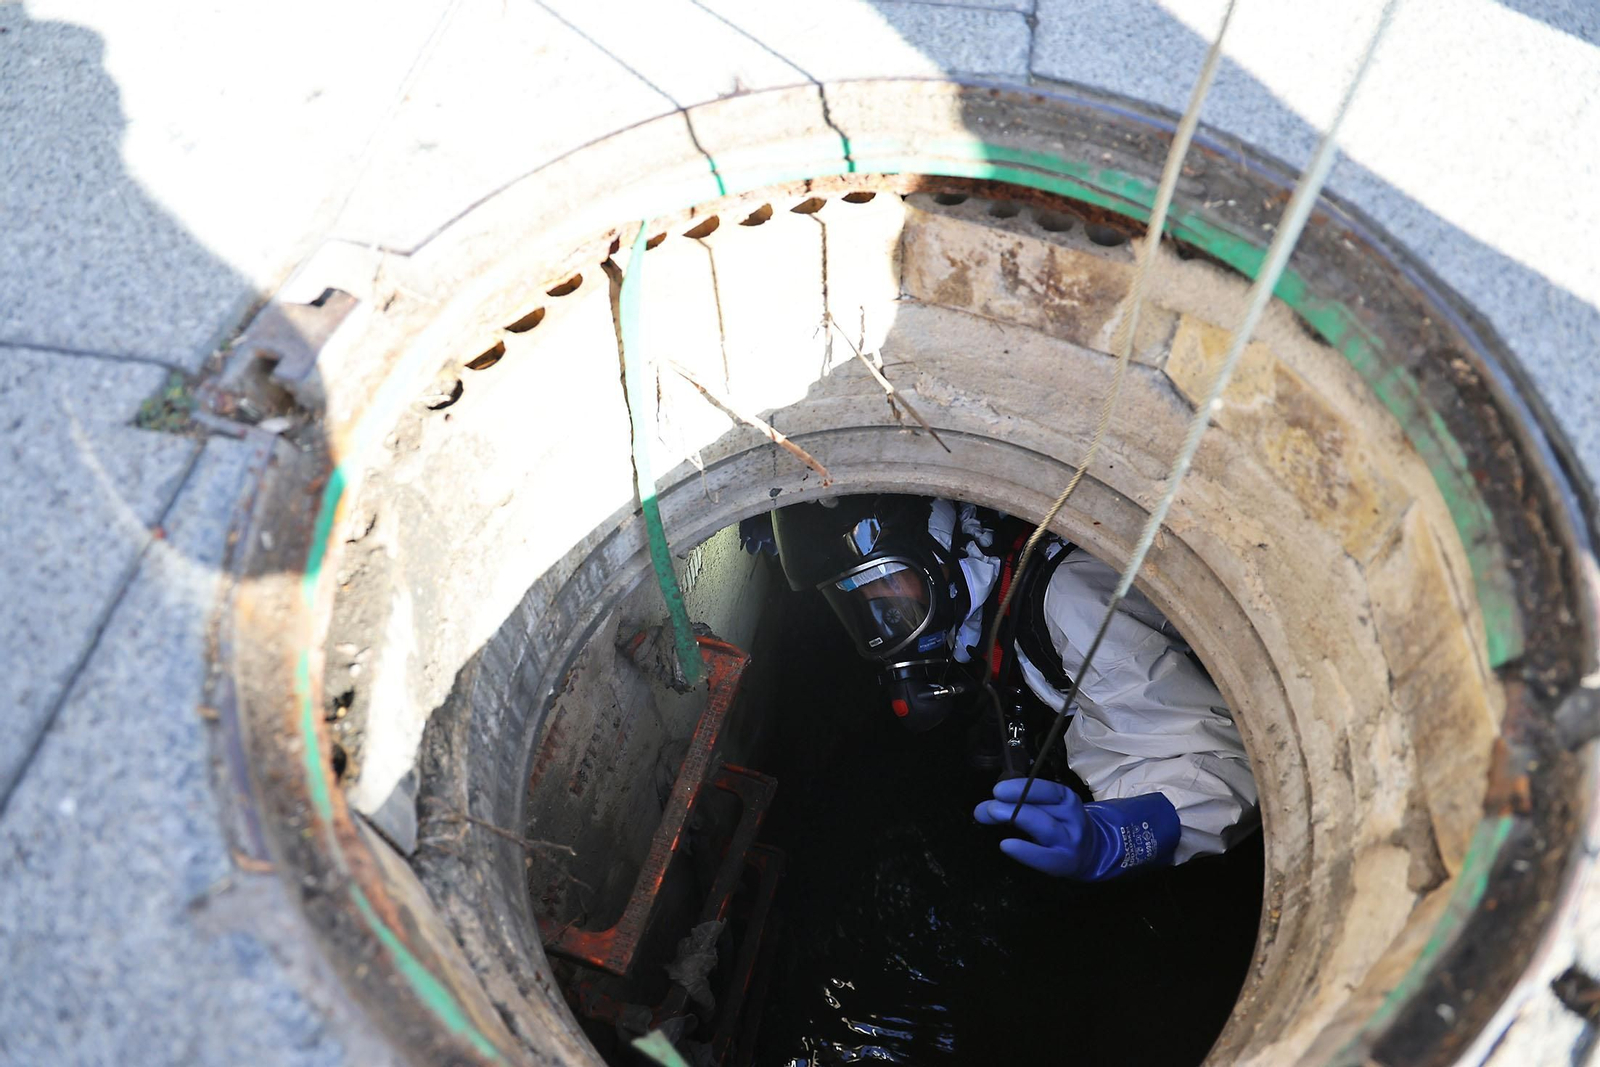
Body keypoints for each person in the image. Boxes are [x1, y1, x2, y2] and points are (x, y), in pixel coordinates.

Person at [762, 495, 1259, 883]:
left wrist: (1118, 837)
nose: (883, 616)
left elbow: (1227, 770)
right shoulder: (975, 573)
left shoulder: (1075, 607)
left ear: (936, 548)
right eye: (852, 600)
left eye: (886, 583)